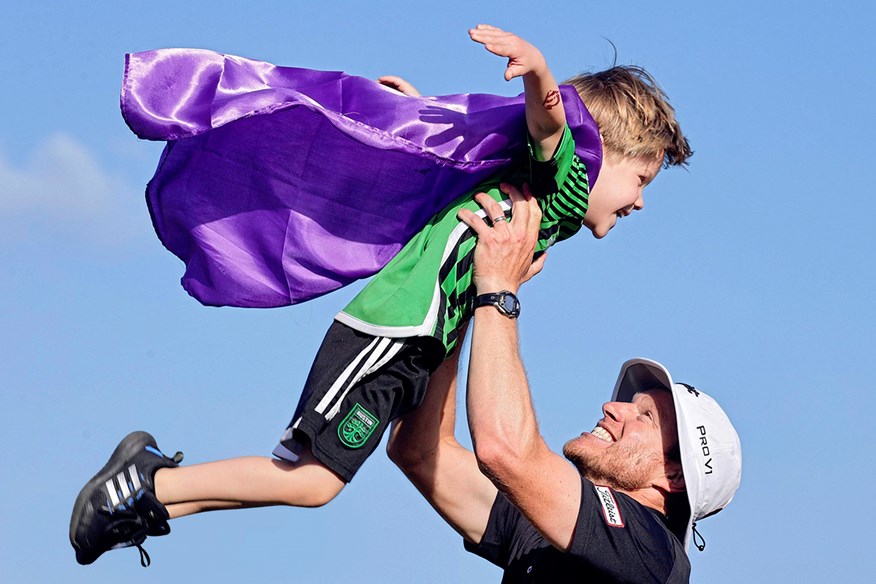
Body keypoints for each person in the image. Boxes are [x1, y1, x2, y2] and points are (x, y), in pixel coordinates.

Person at [70, 26, 691, 566]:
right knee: (315, 481)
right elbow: (553, 125)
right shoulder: (565, 181)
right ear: (599, 151)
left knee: (316, 481)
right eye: (639, 178)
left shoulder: (540, 199)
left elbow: (465, 162)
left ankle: (148, 494)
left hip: (424, 339)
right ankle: (146, 486)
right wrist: (542, 74)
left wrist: (418, 115)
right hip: (395, 329)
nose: (639, 199)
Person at [388, 185, 742, 582]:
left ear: (674, 477)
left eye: (645, 416)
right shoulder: (549, 532)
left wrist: (498, 290)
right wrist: (464, 298)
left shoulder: (652, 553)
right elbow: (419, 451)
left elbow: (505, 452)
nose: (613, 408)